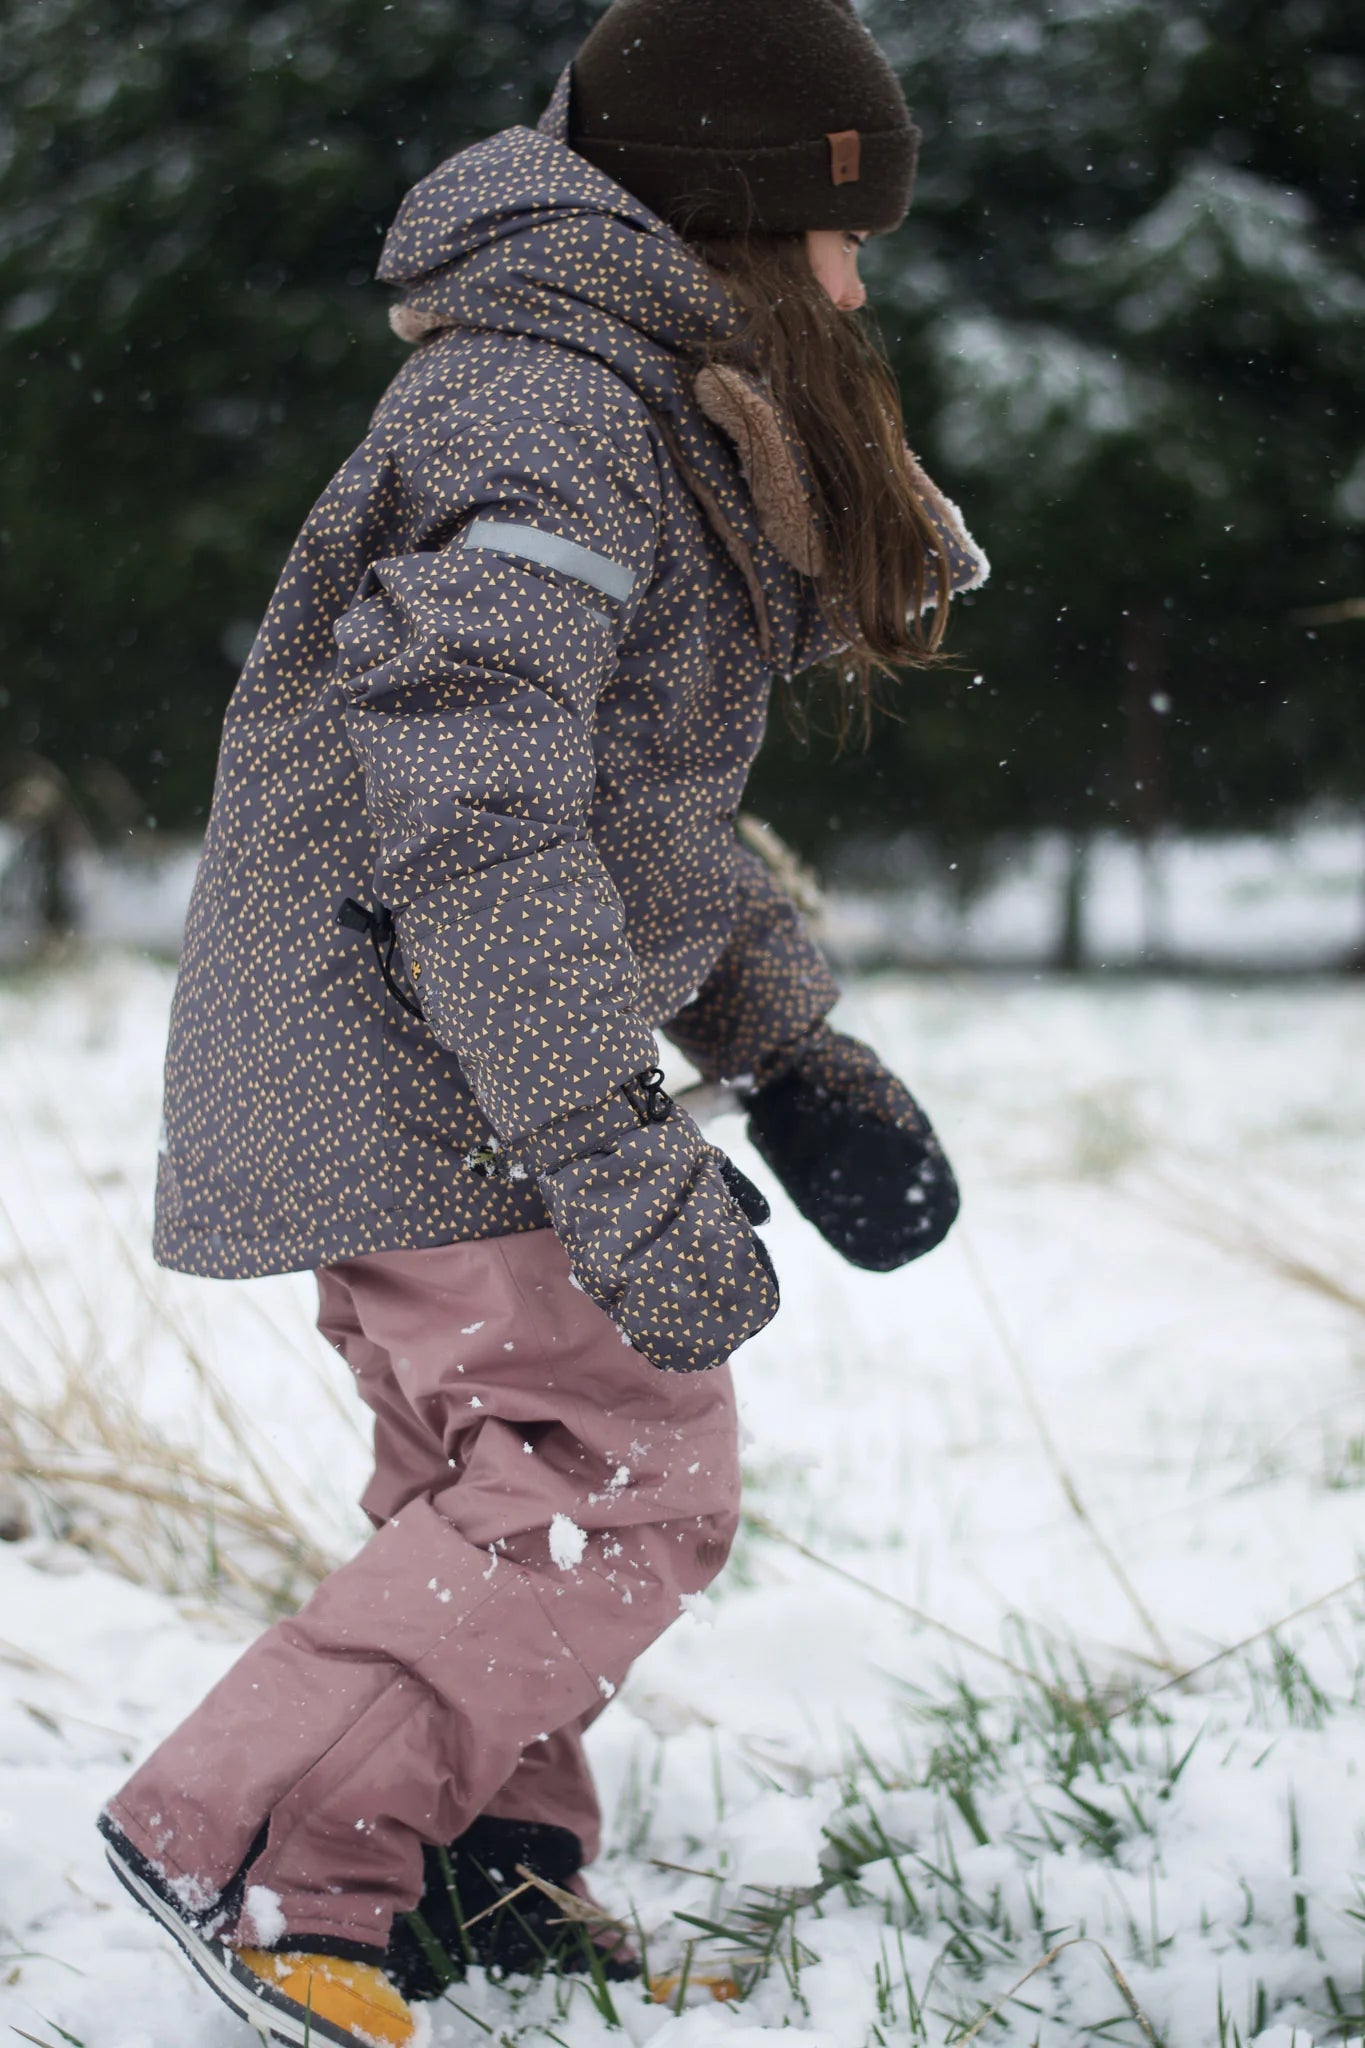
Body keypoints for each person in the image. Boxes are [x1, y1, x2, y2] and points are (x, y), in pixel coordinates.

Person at [97, 0, 987, 2040]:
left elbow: (628, 803)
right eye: (845, 239)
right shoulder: (545, 413)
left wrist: (788, 1045)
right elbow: (476, 821)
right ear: (748, 222)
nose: (861, 282)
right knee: (616, 1464)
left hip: (438, 1040)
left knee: (498, 1480)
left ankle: (438, 1884)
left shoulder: (624, 395)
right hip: (438, 1061)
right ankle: (237, 1840)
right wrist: (612, 1155)